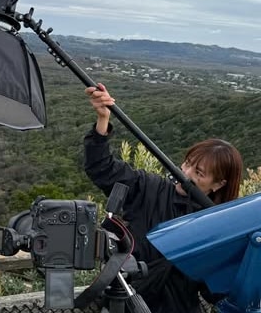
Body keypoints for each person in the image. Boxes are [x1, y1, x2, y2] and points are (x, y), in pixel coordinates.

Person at [84, 83, 243, 313]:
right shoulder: (149, 188)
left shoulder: (218, 225)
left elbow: (216, 292)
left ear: (218, 184)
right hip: (124, 306)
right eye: (187, 164)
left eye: (199, 173)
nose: (185, 174)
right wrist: (103, 120)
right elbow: (101, 168)